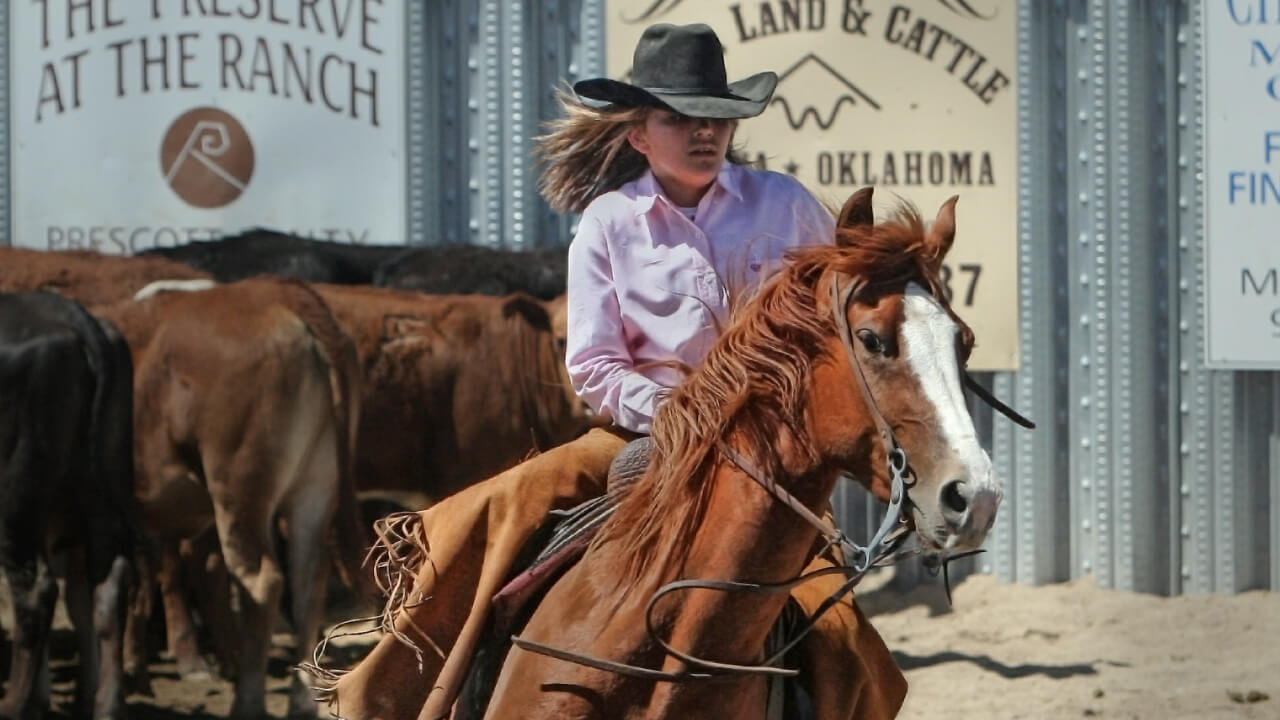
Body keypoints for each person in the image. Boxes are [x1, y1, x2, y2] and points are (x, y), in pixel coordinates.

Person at [323, 23, 906, 720]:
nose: (702, 133)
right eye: (679, 119)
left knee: (842, 636)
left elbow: (842, 319)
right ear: (639, 134)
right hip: (640, 438)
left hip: (770, 458)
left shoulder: (786, 205)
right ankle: (403, 682)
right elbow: (595, 366)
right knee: (506, 508)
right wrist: (683, 417)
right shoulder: (609, 223)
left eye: (715, 118)